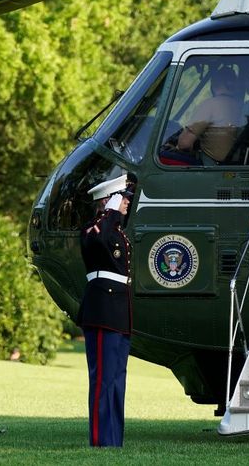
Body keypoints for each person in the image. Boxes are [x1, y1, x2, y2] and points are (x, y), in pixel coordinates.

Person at [76, 173, 134, 447]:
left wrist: (118, 202)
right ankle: (101, 439)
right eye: (123, 199)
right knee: (102, 379)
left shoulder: (115, 231)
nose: (126, 204)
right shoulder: (94, 229)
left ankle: (114, 439)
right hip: (102, 310)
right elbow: (97, 242)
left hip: (119, 312)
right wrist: (110, 210)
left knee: (117, 380)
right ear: (108, 201)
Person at [161, 66, 245, 165]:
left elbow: (184, 144)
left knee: (161, 155)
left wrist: (174, 146)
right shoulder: (240, 107)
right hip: (229, 165)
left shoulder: (211, 104)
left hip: (210, 165)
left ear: (214, 84)